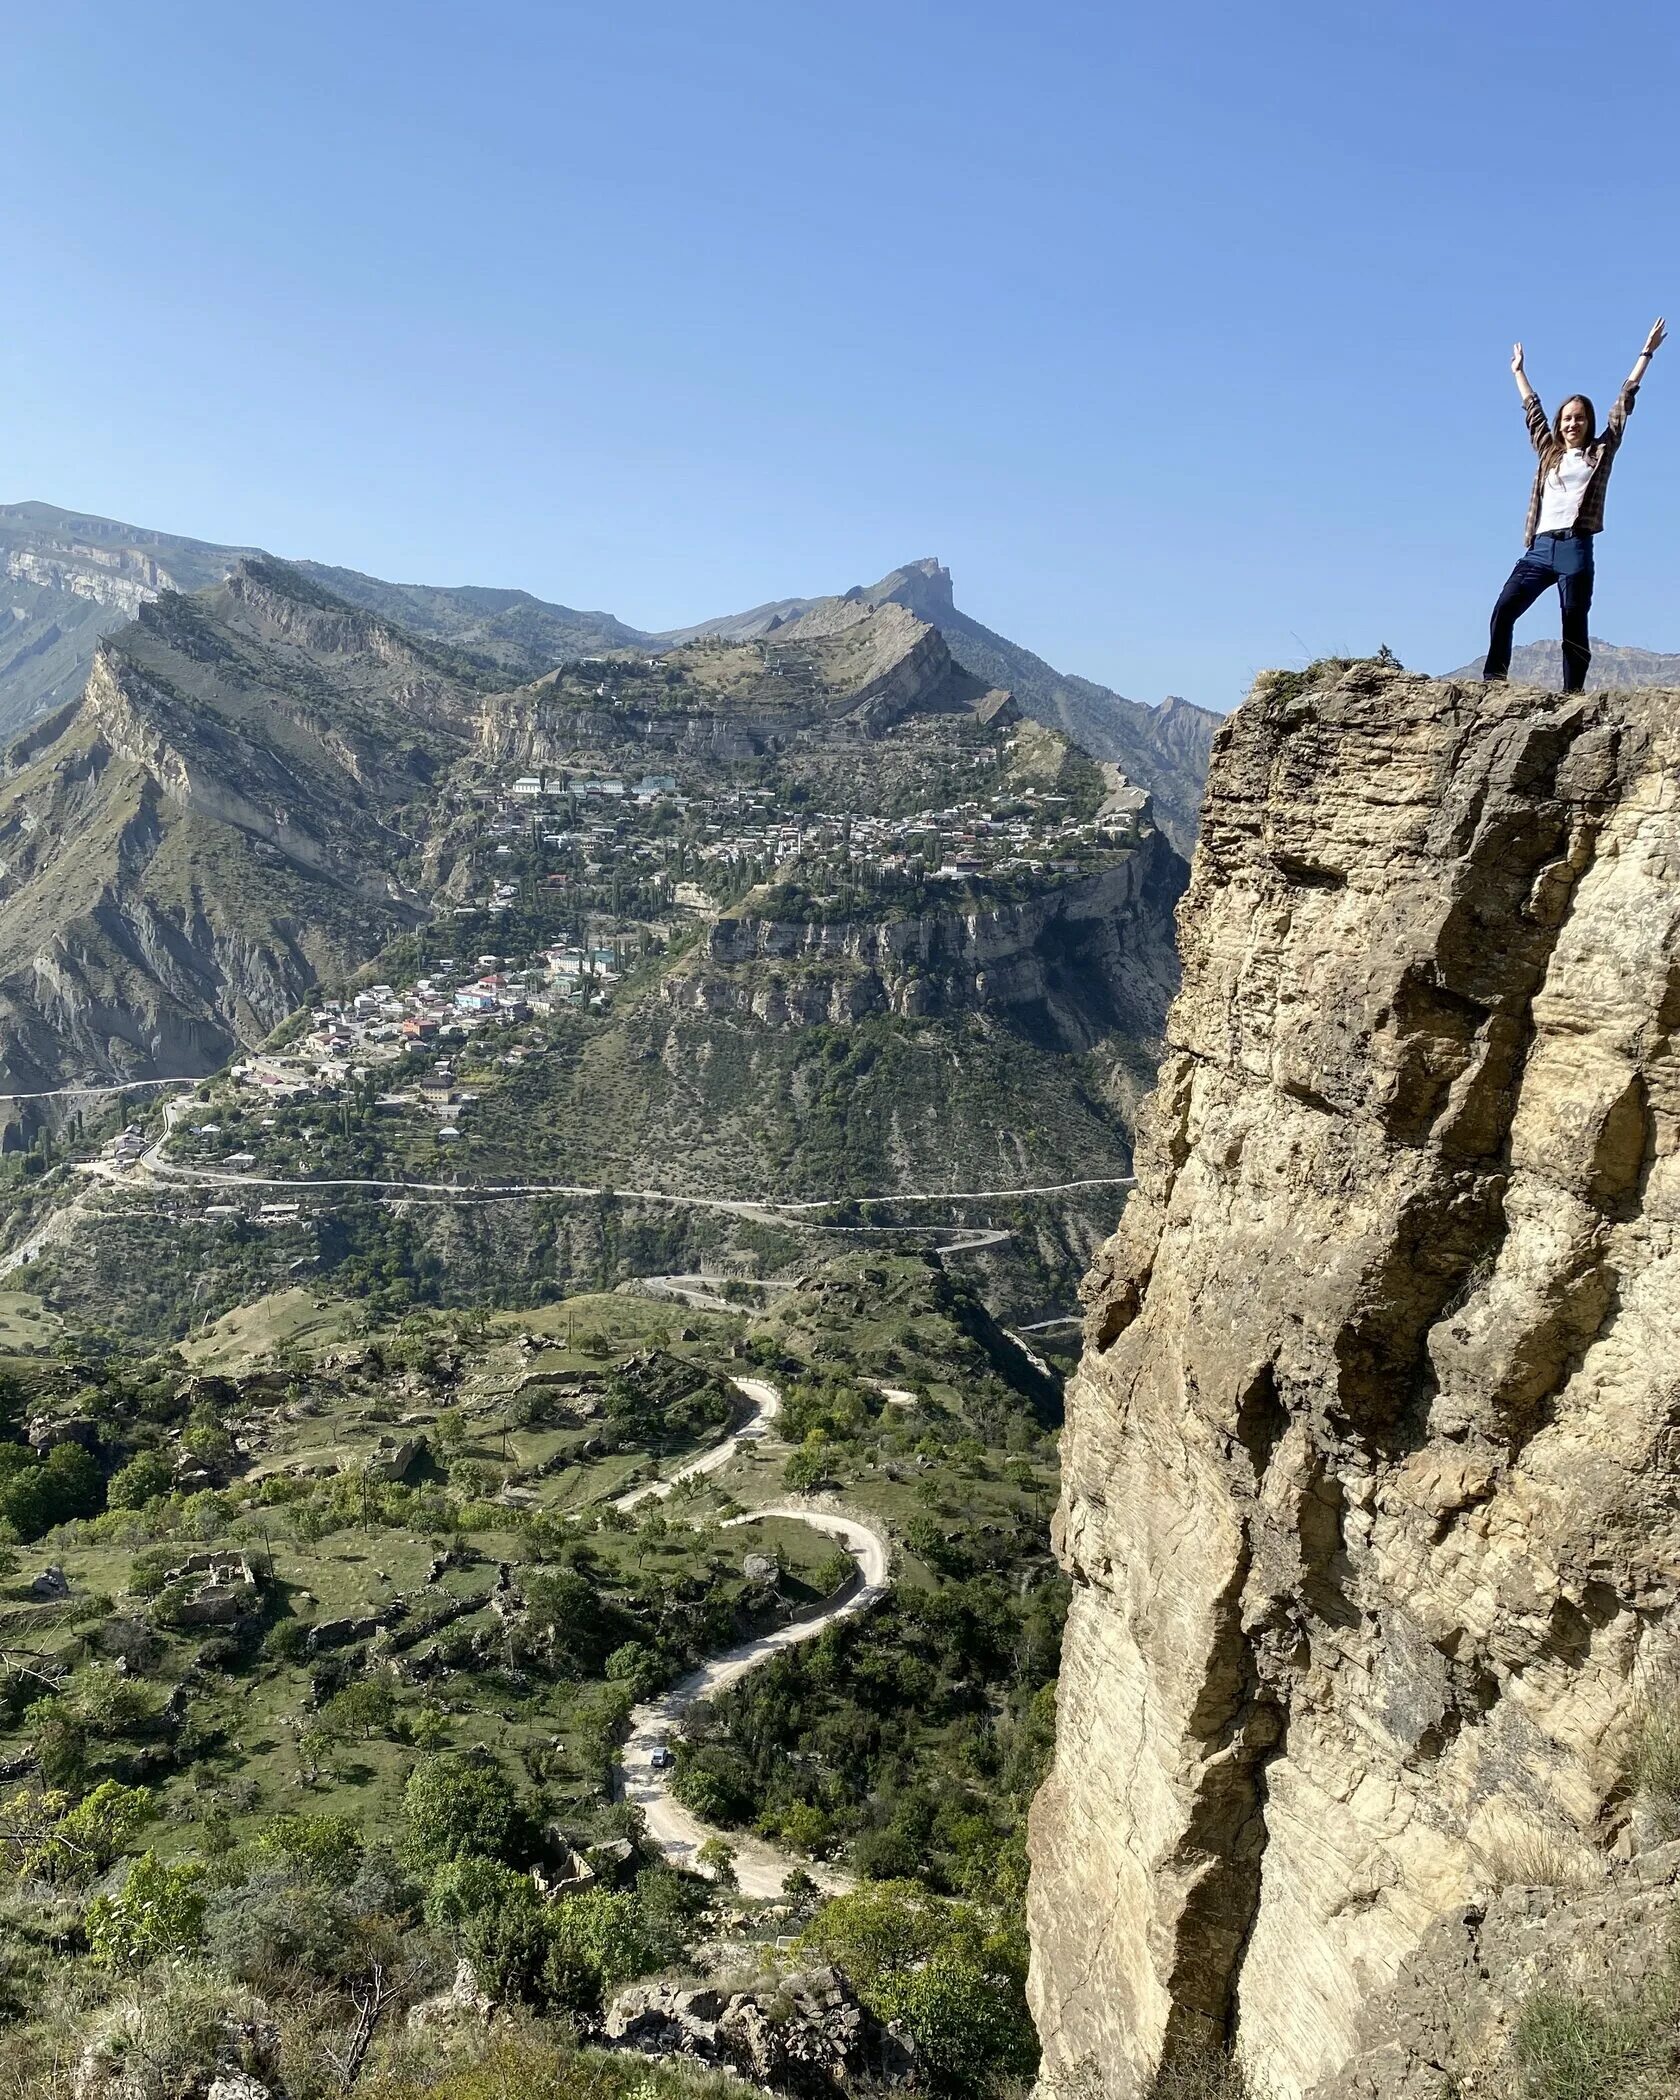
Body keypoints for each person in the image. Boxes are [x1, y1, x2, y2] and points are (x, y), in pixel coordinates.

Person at [1482, 318, 1665, 692]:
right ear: (1560, 423)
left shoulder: (1599, 452)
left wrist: (1645, 354)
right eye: (1567, 418)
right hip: (1540, 548)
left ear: (1588, 422)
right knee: (1504, 608)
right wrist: (1519, 373)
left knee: (1573, 620)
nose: (1572, 424)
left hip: (1576, 547)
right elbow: (1532, 412)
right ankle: (1494, 678)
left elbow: (1623, 404)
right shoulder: (1548, 453)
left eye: (1579, 418)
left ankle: (1572, 693)